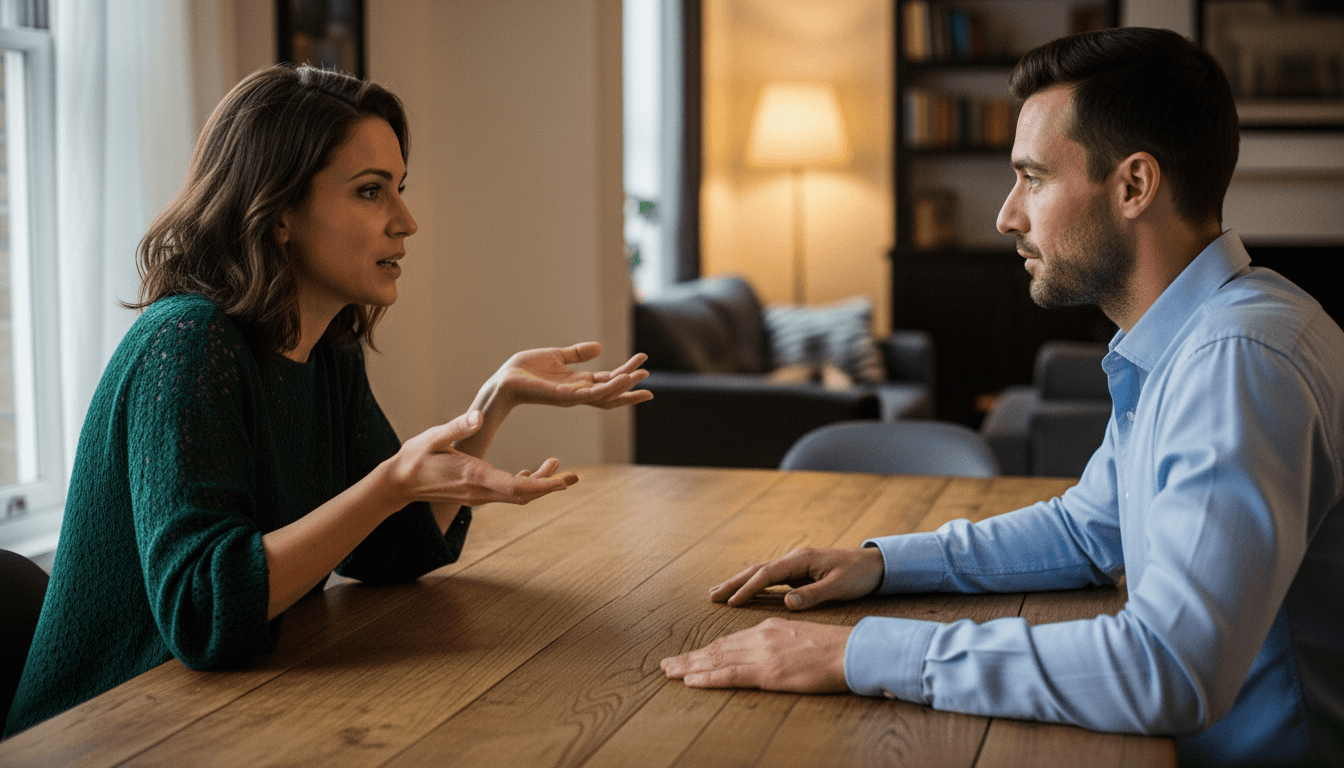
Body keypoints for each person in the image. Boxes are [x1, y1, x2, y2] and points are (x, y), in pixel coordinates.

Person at [662, 27, 1343, 767]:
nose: (1006, 215)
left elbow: (1168, 671)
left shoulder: (1236, 364)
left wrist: (861, 655)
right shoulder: (1193, 339)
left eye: (1034, 178)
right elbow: (1090, 531)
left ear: (1134, 186)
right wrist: (879, 564)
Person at [5, 64, 652, 736]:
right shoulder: (187, 346)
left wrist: (492, 404)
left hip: (220, 718)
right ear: (279, 212)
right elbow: (203, 613)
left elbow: (393, 553)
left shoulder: (326, 348)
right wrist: (389, 484)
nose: (406, 221)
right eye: (371, 192)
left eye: (399, 189)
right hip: (102, 731)